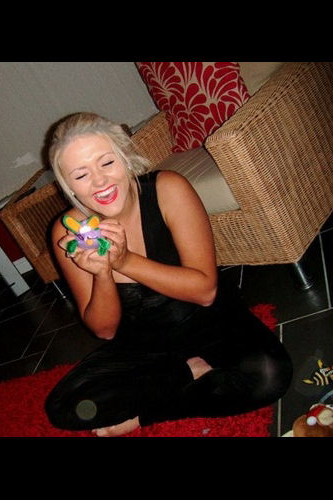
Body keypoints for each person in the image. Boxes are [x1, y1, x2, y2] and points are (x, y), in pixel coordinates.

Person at [44, 112, 293, 437]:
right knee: (64, 407)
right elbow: (105, 330)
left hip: (209, 321)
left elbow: (205, 291)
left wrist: (124, 261)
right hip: (145, 344)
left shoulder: (168, 189)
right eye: (81, 175)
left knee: (270, 376)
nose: (100, 181)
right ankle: (190, 372)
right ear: (68, 186)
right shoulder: (70, 233)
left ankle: (149, 413)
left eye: (107, 163)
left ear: (124, 157)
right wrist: (102, 274)